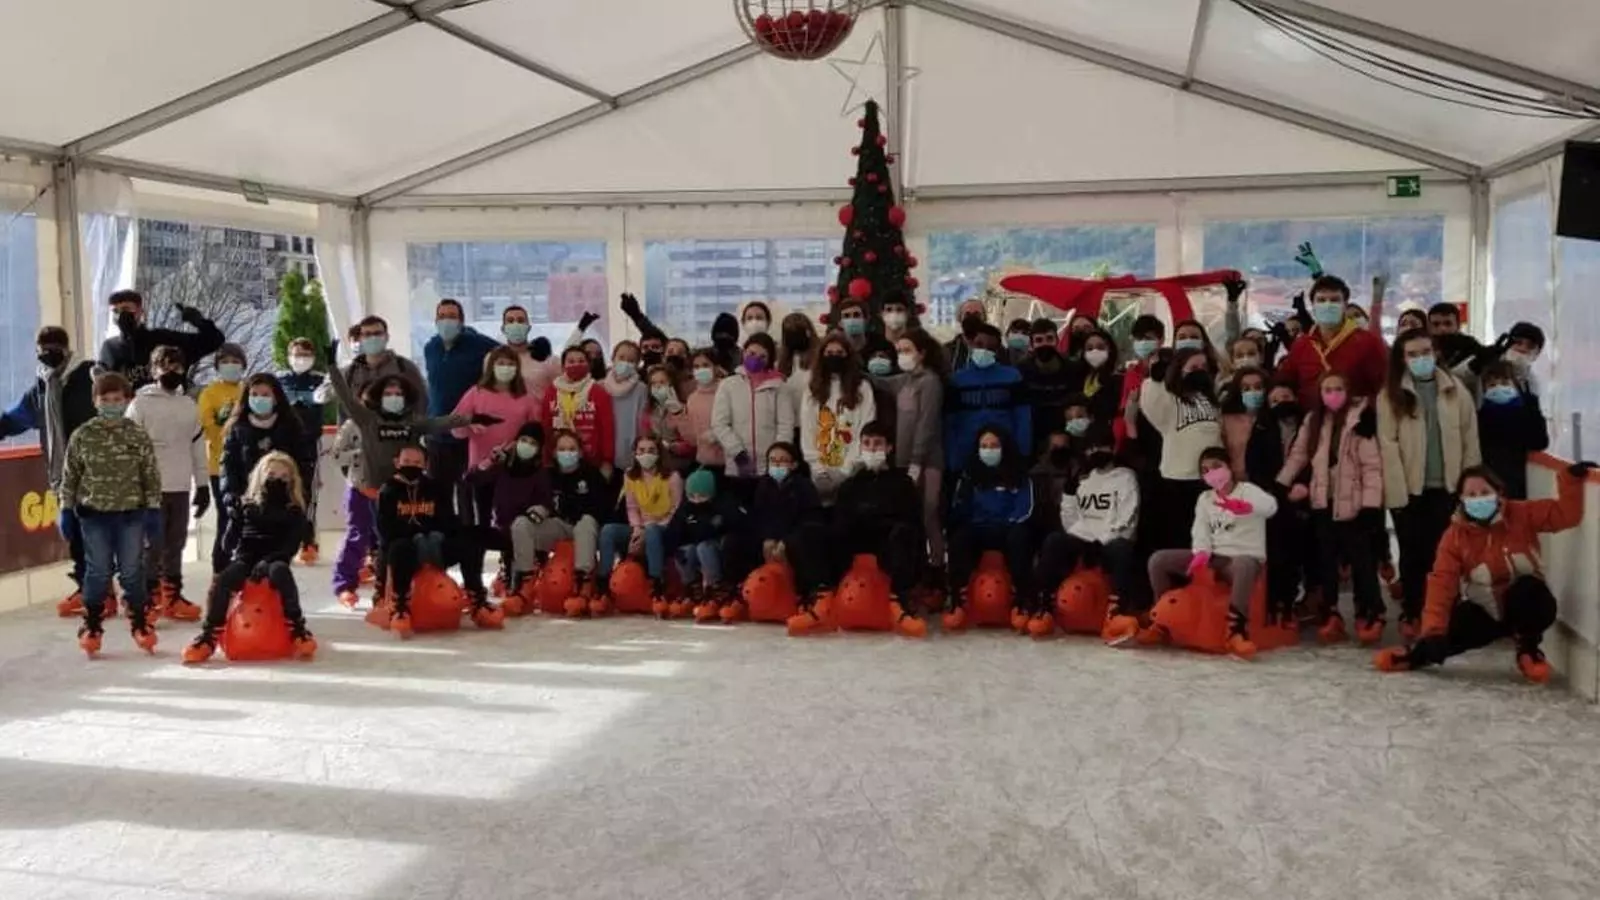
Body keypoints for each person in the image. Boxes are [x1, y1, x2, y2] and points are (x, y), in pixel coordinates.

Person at [1375, 461, 1594, 683]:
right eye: (1471, 494)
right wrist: (1433, 630)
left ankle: (1528, 648)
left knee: (1534, 595)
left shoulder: (1521, 513)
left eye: (1485, 492)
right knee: (1446, 633)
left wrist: (1570, 480)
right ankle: (1414, 656)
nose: (1479, 498)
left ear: (1499, 493)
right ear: (1461, 499)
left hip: (1521, 601)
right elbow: (1442, 583)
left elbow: (1565, 515)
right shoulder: (1454, 537)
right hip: (1485, 608)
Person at [325, 358, 494, 608]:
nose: (393, 397)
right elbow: (346, 398)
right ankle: (359, 587)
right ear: (378, 396)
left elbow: (441, 422)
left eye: (398, 394)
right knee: (366, 539)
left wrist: (471, 418)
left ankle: (413, 586)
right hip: (369, 491)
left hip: (401, 493)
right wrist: (332, 367)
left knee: (400, 542)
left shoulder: (413, 422)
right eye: (388, 393)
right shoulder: (367, 419)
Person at [1379, 328, 1481, 639]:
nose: (1420, 359)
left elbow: (1469, 439)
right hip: (1409, 490)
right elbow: (1388, 445)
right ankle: (1412, 610)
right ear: (1402, 359)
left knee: (1444, 554)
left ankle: (1442, 611)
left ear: (1436, 353)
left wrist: (1469, 486)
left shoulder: (1456, 391)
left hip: (1447, 488)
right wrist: (1397, 493)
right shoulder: (1390, 395)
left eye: (1425, 352)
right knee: (1412, 554)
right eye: (1412, 354)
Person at [58, 373, 163, 657]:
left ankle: (139, 619)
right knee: (98, 570)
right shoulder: (83, 435)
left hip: (131, 515)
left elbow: (150, 475)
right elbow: (70, 476)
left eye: (117, 399)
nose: (111, 405)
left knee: (131, 570)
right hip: (95, 516)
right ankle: (92, 622)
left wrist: (153, 508)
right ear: (95, 401)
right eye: (105, 400)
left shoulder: (137, 435)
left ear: (127, 400)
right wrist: (66, 508)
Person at [182, 451, 317, 664]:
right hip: (246, 558)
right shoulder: (247, 507)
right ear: (260, 476)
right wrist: (233, 520)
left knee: (280, 572)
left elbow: (289, 548)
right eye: (271, 475)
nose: (277, 481)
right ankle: (209, 634)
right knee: (225, 579)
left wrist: (267, 562)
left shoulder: (293, 512)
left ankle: (297, 627)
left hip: (275, 559)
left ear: (292, 481)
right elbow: (228, 546)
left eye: (283, 477)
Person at [1147, 447, 1278, 659]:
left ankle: (1236, 631)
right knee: (1158, 560)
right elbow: (1200, 530)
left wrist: (1248, 507)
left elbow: (1271, 506)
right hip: (1214, 556)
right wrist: (1201, 552)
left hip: (1241, 558)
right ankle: (1163, 622)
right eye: (1205, 470)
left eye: (1217, 466)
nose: (1212, 473)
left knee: (1244, 564)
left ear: (1229, 467)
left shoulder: (1248, 490)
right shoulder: (1205, 498)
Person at [0, 326, 97, 613]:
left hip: (96, 469)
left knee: (101, 531)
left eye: (54, 348)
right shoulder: (41, 389)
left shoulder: (89, 377)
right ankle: (91, 589)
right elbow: (14, 420)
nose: (48, 354)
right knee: (76, 534)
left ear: (67, 349)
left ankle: (110, 590)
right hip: (63, 474)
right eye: (43, 349)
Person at [1283, 372, 1385, 644]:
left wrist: (1371, 504)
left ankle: (1371, 610)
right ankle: (1331, 611)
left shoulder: (1360, 419)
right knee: (1325, 560)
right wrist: (1282, 482)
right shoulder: (1314, 420)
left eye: (1338, 388)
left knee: (1362, 560)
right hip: (1323, 501)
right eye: (1327, 389)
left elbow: (1372, 466)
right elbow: (1299, 455)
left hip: (1354, 503)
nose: (1333, 394)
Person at [785, 423, 922, 624]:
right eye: (867, 443)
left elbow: (912, 520)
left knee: (904, 533)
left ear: (889, 448)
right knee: (807, 532)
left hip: (887, 541)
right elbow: (840, 520)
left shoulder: (903, 483)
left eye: (877, 444)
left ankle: (899, 600)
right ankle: (821, 595)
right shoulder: (850, 485)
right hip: (853, 540)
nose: (872, 449)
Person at [125, 346, 209, 621]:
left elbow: (197, 448)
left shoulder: (189, 406)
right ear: (153, 370)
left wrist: (203, 485)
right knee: (151, 545)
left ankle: (172, 595)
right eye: (165, 365)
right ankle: (145, 597)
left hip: (181, 487)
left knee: (176, 543)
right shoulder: (140, 405)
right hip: (150, 489)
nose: (171, 371)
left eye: (177, 366)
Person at [376, 445, 498, 631]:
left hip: (435, 543)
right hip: (407, 549)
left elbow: (448, 521)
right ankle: (400, 604)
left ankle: (476, 597)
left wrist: (453, 534)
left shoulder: (435, 488)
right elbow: (385, 530)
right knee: (398, 547)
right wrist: (416, 535)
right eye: (406, 462)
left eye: (417, 462)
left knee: (469, 542)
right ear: (397, 463)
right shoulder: (387, 491)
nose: (411, 466)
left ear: (425, 465)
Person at [1036, 423, 1140, 634]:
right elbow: (1070, 522)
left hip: (1112, 539)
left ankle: (1118, 611)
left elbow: (1127, 519)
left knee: (1121, 548)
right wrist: (1068, 496)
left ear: (1112, 448)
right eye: (1091, 448)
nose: (1095, 452)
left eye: (1100, 447)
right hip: (1084, 538)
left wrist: (1101, 539)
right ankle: (1044, 604)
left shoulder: (1126, 477)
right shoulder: (1083, 479)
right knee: (1054, 540)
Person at [945, 426, 1038, 619]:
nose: (989, 450)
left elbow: (1025, 509)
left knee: (1020, 538)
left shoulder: (1020, 476)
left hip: (1009, 527)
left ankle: (1021, 598)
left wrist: (1010, 523)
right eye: (984, 446)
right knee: (959, 538)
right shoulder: (969, 476)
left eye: (994, 446)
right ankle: (958, 599)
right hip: (978, 527)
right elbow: (960, 508)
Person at [1138, 347, 1223, 551]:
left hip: (1211, 479)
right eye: (1193, 367)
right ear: (1179, 370)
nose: (1199, 371)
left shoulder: (1212, 400)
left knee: (1209, 537)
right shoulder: (1169, 400)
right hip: (1178, 478)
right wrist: (1156, 378)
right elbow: (1150, 400)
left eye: (1203, 367)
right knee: (1181, 539)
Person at [509, 430, 608, 604]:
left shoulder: (592, 474)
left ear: (580, 452)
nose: (567, 453)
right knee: (521, 524)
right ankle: (525, 582)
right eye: (562, 449)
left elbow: (601, 509)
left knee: (586, 522)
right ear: (554, 452)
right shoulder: (546, 475)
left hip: (584, 527)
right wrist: (540, 510)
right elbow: (537, 502)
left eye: (571, 449)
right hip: (557, 525)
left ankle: (583, 584)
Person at [423, 298, 500, 523]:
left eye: (452, 316)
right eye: (442, 316)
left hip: (467, 436)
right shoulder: (431, 347)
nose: (446, 321)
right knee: (438, 494)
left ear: (462, 321)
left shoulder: (478, 344)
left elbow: (506, 355)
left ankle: (470, 541)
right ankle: (443, 539)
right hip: (436, 435)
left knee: (468, 495)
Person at [882, 329, 946, 580]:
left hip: (928, 461)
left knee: (929, 513)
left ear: (922, 353)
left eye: (907, 350)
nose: (902, 355)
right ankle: (915, 569)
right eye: (899, 350)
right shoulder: (904, 381)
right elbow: (881, 382)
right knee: (910, 516)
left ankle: (938, 566)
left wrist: (917, 461)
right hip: (903, 460)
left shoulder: (929, 382)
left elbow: (926, 424)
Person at [451, 346, 540, 526]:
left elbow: (537, 431)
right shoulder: (476, 393)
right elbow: (455, 429)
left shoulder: (527, 397)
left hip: (514, 468)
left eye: (510, 364)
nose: (506, 368)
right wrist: (469, 424)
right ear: (491, 366)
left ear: (517, 368)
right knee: (483, 519)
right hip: (482, 467)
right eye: (501, 363)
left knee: (511, 518)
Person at [1276, 275, 1388, 409]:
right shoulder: (1302, 344)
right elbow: (1286, 382)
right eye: (1321, 300)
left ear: (1345, 305)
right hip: (1309, 418)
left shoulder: (1368, 342)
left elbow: (1384, 387)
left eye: (1334, 300)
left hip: (1354, 418)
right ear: (1313, 306)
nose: (1328, 305)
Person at [465, 423, 550, 596]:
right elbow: (471, 479)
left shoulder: (541, 475)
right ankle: (473, 588)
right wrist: (490, 460)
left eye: (532, 443)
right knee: (468, 536)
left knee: (519, 534)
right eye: (524, 440)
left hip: (525, 534)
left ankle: (520, 582)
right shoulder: (503, 468)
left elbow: (546, 503)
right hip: (501, 530)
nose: (527, 446)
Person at [597, 435, 682, 597]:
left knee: (652, 531)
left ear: (659, 453)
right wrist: (637, 528)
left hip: (665, 527)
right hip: (641, 527)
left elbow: (676, 510)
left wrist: (651, 527)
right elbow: (632, 507)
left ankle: (656, 582)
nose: (645, 454)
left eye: (651, 450)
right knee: (608, 530)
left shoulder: (672, 477)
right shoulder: (630, 475)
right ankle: (603, 580)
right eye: (641, 450)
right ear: (635, 453)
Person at [944, 323, 1030, 473]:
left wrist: (1022, 451)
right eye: (979, 344)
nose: (984, 349)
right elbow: (950, 422)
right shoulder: (957, 380)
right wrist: (953, 458)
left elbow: (1023, 417)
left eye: (990, 347)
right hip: (967, 450)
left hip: (1005, 448)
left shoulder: (1012, 377)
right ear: (971, 345)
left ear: (997, 350)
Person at [97, 290, 225, 389]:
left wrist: (200, 322)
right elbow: (105, 387)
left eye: (126, 309)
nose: (121, 315)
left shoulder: (164, 338)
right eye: (116, 311)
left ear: (140, 312)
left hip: (170, 408)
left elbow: (214, 341)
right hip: (131, 412)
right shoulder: (110, 348)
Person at [802, 334, 877, 502]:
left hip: (853, 469)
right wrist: (818, 469)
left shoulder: (862, 387)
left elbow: (865, 428)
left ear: (848, 356)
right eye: (829, 353)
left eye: (839, 353)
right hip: (820, 471)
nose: (834, 357)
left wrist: (846, 470)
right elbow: (808, 430)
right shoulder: (812, 388)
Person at [712, 333, 795, 483]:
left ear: (769, 359)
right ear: (744, 352)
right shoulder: (728, 385)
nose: (756, 359)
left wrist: (778, 457)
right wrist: (738, 454)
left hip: (770, 468)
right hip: (737, 467)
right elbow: (719, 424)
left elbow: (785, 426)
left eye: (762, 356)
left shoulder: (780, 387)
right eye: (751, 354)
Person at [665, 468, 747, 619]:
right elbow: (673, 531)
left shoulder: (724, 504)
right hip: (695, 548)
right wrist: (677, 547)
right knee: (685, 550)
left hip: (718, 549)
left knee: (704, 548)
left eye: (702, 496)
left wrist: (713, 526)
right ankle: (692, 590)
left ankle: (716, 590)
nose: (697, 500)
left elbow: (739, 526)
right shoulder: (686, 507)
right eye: (692, 496)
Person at [276, 338, 331, 561]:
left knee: (308, 492)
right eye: (297, 354)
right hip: (282, 443)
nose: (301, 359)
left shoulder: (320, 379)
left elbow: (325, 396)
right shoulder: (279, 379)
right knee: (281, 491)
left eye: (306, 355)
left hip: (309, 443)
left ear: (313, 357)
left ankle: (308, 541)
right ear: (289, 356)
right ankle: (282, 540)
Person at [197, 343, 247, 573]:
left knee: (249, 519)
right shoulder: (209, 393)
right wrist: (231, 425)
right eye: (225, 362)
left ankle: (244, 566)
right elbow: (208, 427)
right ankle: (220, 568)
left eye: (235, 361)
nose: (230, 366)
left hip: (249, 465)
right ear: (217, 366)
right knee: (227, 517)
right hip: (220, 466)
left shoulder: (249, 390)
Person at [1476, 359, 1549, 500]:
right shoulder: (1481, 417)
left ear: (1515, 385)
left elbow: (1540, 442)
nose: (1498, 388)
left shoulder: (1526, 411)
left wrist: (1533, 406)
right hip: (1490, 484)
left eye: (1505, 383)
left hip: (1522, 484)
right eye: (1492, 385)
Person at [538, 345, 616, 475]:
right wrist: (546, 458)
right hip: (558, 460)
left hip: (592, 460)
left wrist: (607, 460)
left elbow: (607, 428)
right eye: (571, 361)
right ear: (563, 366)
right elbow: (546, 425)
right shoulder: (551, 391)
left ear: (588, 365)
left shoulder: (598, 392)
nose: (576, 365)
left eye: (581, 361)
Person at [749, 442, 822, 569]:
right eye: (772, 461)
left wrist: (786, 541)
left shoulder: (804, 486)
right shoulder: (763, 485)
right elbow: (759, 516)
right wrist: (768, 537)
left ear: (794, 465)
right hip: (770, 536)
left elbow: (810, 518)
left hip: (796, 535)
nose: (777, 464)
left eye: (782, 460)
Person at [1017, 319, 1076, 457]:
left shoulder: (1071, 368)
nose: (1045, 344)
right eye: (1039, 340)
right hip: (1033, 433)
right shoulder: (1022, 370)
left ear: (1057, 340)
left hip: (1065, 432)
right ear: (1031, 344)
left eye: (1049, 339)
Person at [345, 315, 428, 410]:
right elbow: (344, 405)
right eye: (367, 334)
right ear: (360, 338)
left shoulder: (404, 367)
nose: (373, 338)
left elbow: (421, 401)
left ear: (387, 337)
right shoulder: (351, 372)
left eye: (377, 333)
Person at [602, 340, 650, 473]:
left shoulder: (641, 388)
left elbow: (643, 421)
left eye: (631, 360)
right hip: (605, 451)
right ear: (613, 358)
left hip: (630, 449)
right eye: (621, 358)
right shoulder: (601, 386)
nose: (625, 363)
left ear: (637, 364)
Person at [643, 364, 693, 476]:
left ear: (671, 385)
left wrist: (673, 447)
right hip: (659, 467)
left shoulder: (684, 408)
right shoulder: (649, 411)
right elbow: (645, 436)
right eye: (653, 383)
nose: (657, 387)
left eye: (662, 382)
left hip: (682, 466)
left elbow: (691, 442)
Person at [1071, 327, 1123, 427]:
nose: (1095, 351)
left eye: (1100, 347)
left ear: (1110, 350)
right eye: (1089, 348)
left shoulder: (1117, 380)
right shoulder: (1080, 379)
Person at [685, 348, 726, 474]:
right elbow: (692, 436)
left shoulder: (727, 392)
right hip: (704, 461)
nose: (701, 370)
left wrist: (719, 434)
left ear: (716, 368)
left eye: (705, 365)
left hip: (729, 463)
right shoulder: (692, 399)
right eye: (696, 367)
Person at [943, 298, 988, 371]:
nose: (972, 318)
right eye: (967, 314)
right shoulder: (946, 351)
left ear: (984, 319)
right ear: (960, 319)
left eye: (977, 314)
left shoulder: (997, 351)